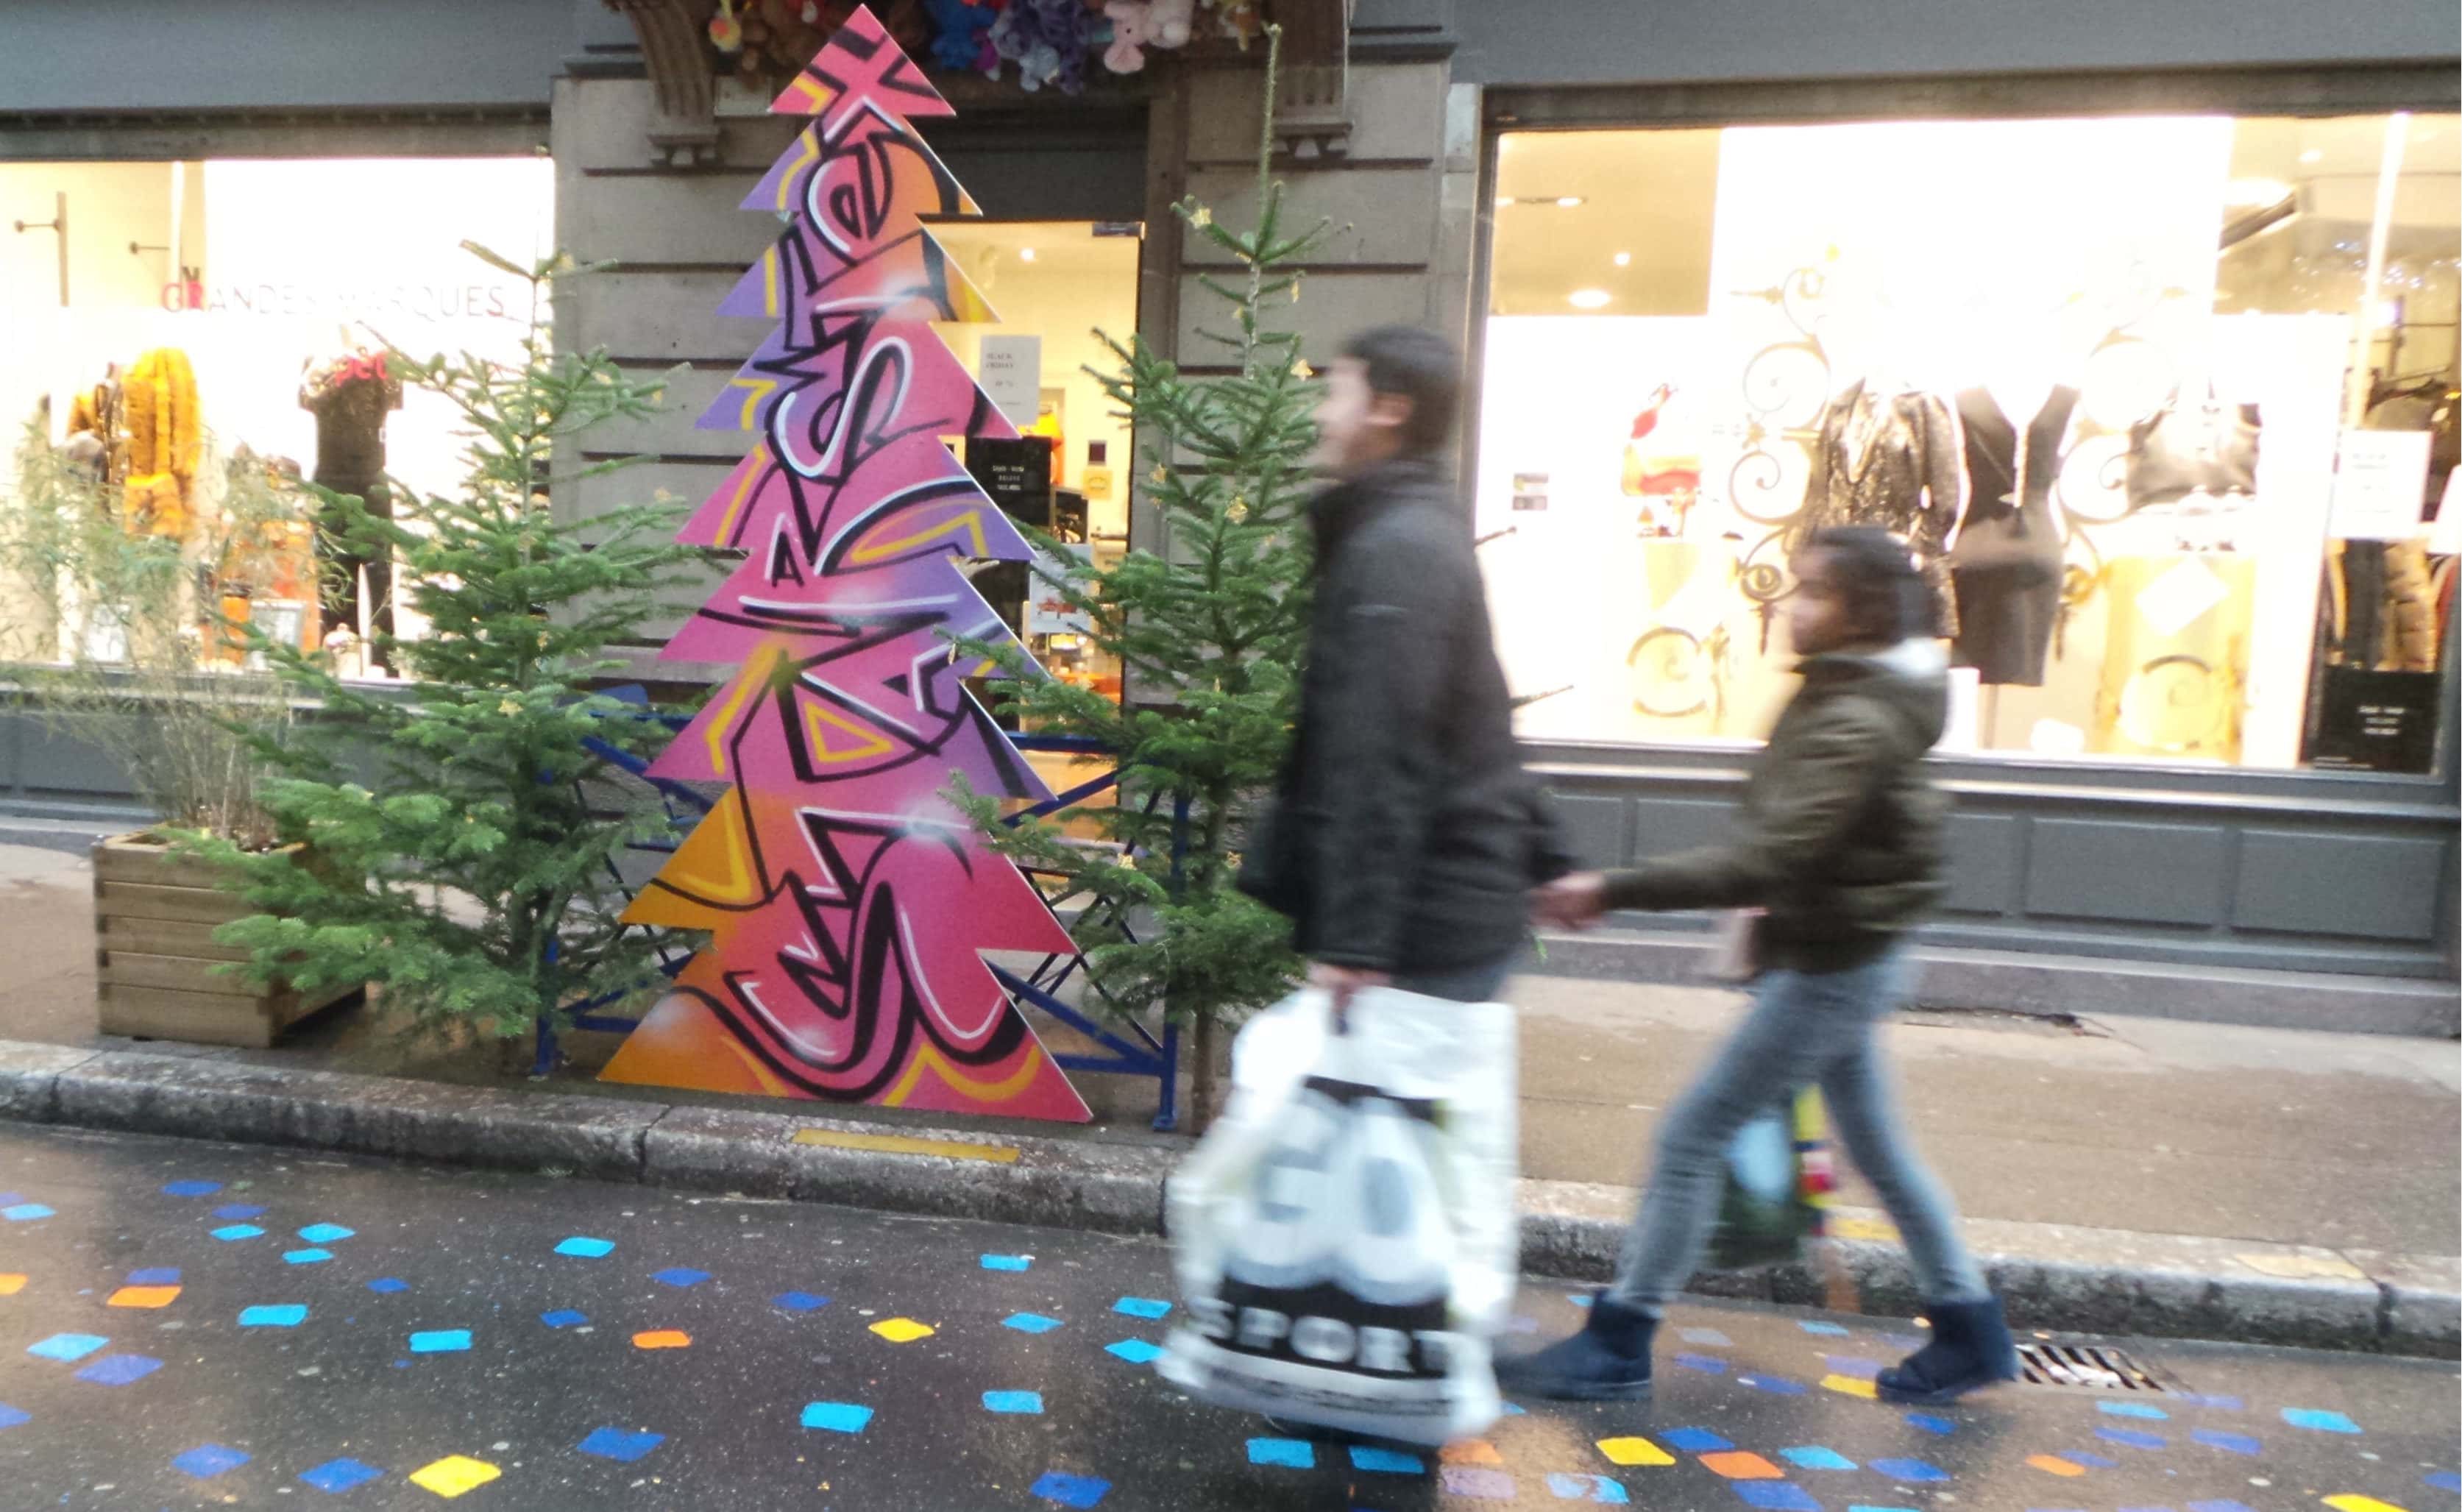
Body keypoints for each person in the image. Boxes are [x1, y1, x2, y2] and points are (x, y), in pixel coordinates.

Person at [1500, 525, 2019, 1406]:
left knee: (1692, 1136)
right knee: (1880, 1150)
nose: (1789, 604)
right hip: (1844, 949)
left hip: (1833, 966)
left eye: (1811, 590)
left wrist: (1612, 888)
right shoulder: (1848, 693)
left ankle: (1620, 1338)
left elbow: (1769, 856)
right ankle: (1971, 1330)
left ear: (1858, 611)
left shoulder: (1854, 719)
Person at [1239, 322, 1571, 1011]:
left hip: (1424, 925)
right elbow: (1478, 711)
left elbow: (1381, 744)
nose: (1322, 417)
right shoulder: (1410, 529)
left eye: (1338, 394)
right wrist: (1550, 854)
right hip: (1441, 913)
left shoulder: (1398, 548)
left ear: (1390, 409)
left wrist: (1355, 943)